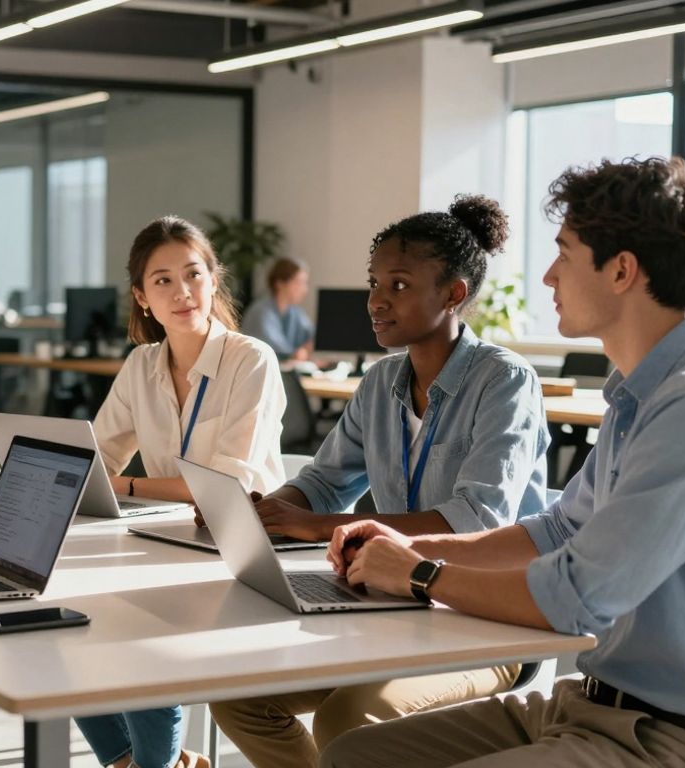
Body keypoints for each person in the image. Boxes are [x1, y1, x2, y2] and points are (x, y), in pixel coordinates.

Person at [324, 157, 685, 768]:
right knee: (353, 756)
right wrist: (413, 548)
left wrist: (418, 577)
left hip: (667, 738)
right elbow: (557, 530)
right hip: (589, 703)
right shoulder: (641, 393)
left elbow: (575, 597)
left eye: (565, 255)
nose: (547, 276)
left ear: (622, 271)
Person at [209, 195, 550, 768]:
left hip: (487, 622)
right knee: (238, 698)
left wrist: (319, 525)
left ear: (453, 294)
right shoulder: (382, 381)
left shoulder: (505, 382)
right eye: (373, 283)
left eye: (397, 285)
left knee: (346, 719)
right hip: (392, 605)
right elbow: (322, 482)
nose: (374, 301)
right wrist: (266, 509)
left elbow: (474, 520)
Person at [74, 215, 287, 768]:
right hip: (163, 542)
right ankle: (134, 762)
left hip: (243, 554)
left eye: (193, 274)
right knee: (57, 622)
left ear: (214, 281)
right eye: (162, 280)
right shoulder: (141, 365)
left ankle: (152, 764)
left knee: (145, 633)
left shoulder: (250, 360)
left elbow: (224, 487)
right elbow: (94, 460)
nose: (182, 291)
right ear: (142, 297)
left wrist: (125, 484)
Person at [242, 256, 314, 360]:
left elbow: (311, 337)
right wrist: (297, 354)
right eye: (299, 283)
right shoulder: (261, 312)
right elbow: (278, 351)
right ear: (279, 283)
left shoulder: (295, 312)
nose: (304, 289)